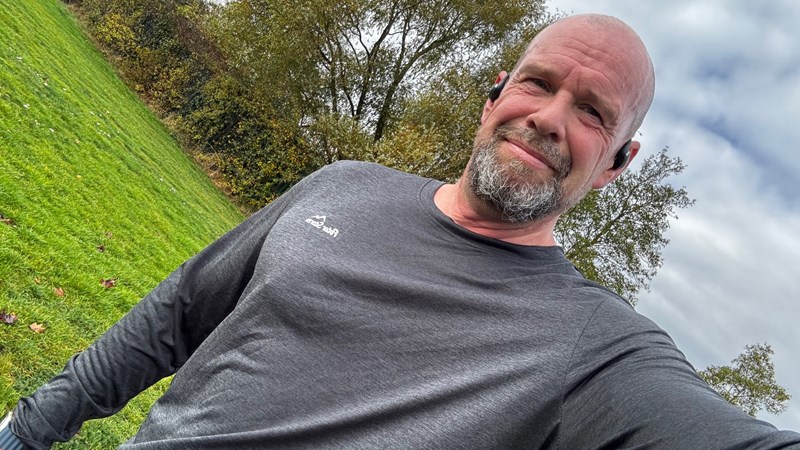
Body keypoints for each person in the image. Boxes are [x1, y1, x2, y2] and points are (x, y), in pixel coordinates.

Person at [3, 13, 799, 449]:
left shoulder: (593, 347)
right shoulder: (343, 184)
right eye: (538, 84)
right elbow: (177, 313)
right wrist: (27, 429)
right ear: (494, 98)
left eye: (592, 112)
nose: (550, 118)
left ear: (615, 165)